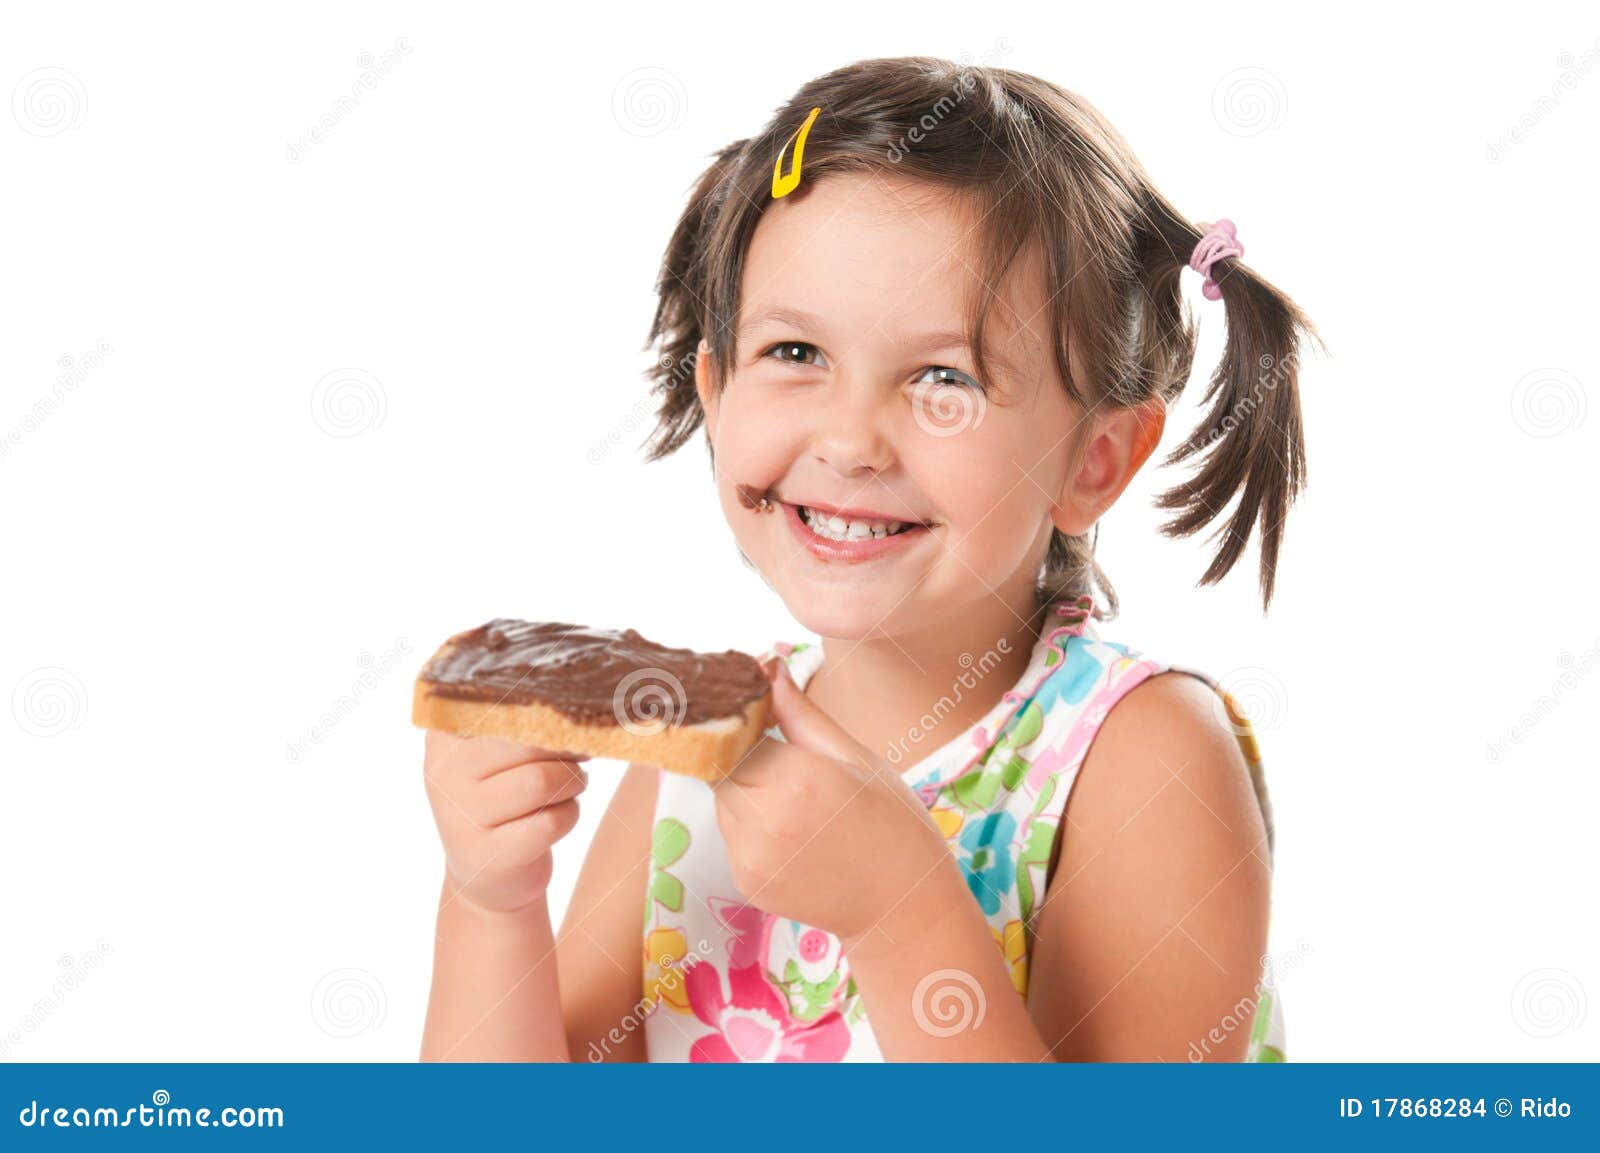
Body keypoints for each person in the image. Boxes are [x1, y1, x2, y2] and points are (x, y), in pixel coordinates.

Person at [420, 56, 1317, 1062]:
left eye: (944, 377)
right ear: (714, 390)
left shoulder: (1141, 760)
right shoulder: (687, 772)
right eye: (796, 354)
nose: (850, 441)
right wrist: (490, 904)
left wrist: (900, 914)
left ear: (1094, 458)